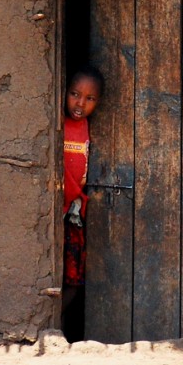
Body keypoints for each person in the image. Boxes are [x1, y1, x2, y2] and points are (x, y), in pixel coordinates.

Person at [62, 67, 104, 343]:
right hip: (55, 212)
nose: (80, 103)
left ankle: (62, 327)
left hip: (75, 215)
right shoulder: (56, 124)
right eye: (75, 95)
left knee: (74, 278)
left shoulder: (91, 129)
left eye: (89, 98)